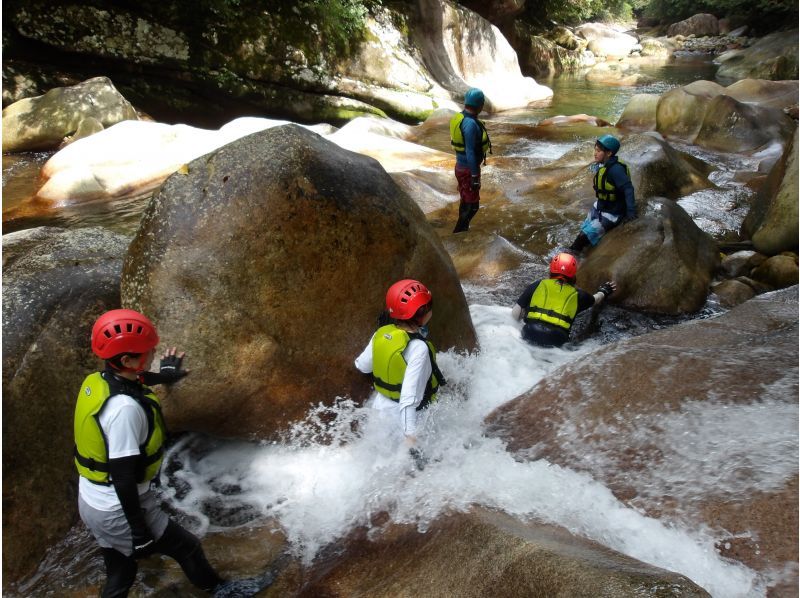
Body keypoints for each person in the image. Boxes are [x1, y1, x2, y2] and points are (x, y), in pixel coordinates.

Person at [74, 309, 238, 597]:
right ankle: (225, 592)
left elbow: (132, 383)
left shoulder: (98, 381)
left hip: (92, 500)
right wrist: (139, 533)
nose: (152, 353)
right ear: (126, 360)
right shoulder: (124, 411)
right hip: (116, 507)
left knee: (121, 572)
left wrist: (163, 376)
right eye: (147, 352)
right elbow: (123, 475)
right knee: (187, 548)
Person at [354, 279, 446, 469]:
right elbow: (408, 397)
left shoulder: (381, 333)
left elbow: (362, 366)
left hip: (380, 411)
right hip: (408, 419)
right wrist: (410, 436)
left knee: (379, 464)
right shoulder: (419, 348)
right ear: (423, 313)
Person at [512, 253, 616, 348]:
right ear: (573, 274)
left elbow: (515, 313)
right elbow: (596, 299)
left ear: (551, 270)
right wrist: (605, 291)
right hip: (556, 340)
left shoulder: (537, 285)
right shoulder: (578, 295)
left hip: (530, 332)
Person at [569, 134, 636, 253]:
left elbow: (628, 189)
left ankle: (573, 255)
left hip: (613, 212)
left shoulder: (616, 170)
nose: (595, 153)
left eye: (598, 151)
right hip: (600, 206)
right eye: (595, 149)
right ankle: (580, 247)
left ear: (609, 153)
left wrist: (631, 213)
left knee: (582, 238)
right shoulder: (602, 164)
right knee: (583, 229)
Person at [450, 87, 492, 233]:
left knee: (466, 201)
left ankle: (463, 228)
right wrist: (474, 176)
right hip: (468, 170)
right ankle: (459, 233)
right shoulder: (470, 124)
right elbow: (470, 151)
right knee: (473, 206)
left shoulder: (460, 117)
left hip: (461, 167)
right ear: (480, 105)